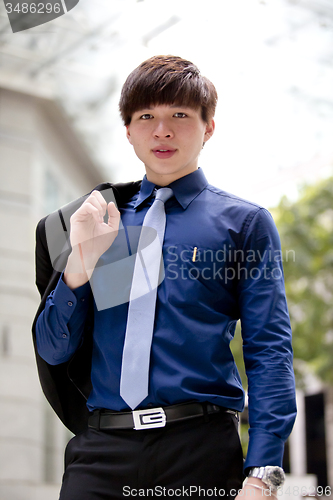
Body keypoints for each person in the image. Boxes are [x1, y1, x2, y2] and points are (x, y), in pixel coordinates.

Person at [33, 55, 296, 499]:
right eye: (146, 117)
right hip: (101, 452)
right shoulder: (98, 220)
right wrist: (79, 262)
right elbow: (54, 350)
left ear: (208, 126)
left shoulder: (244, 224)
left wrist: (264, 470)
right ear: (129, 131)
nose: (162, 131)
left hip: (200, 449)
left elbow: (269, 349)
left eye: (179, 115)